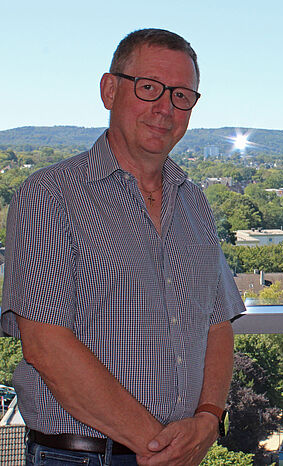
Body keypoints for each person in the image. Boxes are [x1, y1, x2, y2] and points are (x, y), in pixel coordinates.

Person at [1, 29, 244, 466]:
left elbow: (218, 323)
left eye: (182, 95)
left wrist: (209, 417)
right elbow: (46, 346)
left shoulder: (195, 202)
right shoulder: (49, 195)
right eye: (149, 88)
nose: (165, 108)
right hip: (82, 458)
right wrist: (162, 449)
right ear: (109, 90)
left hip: (181, 453)